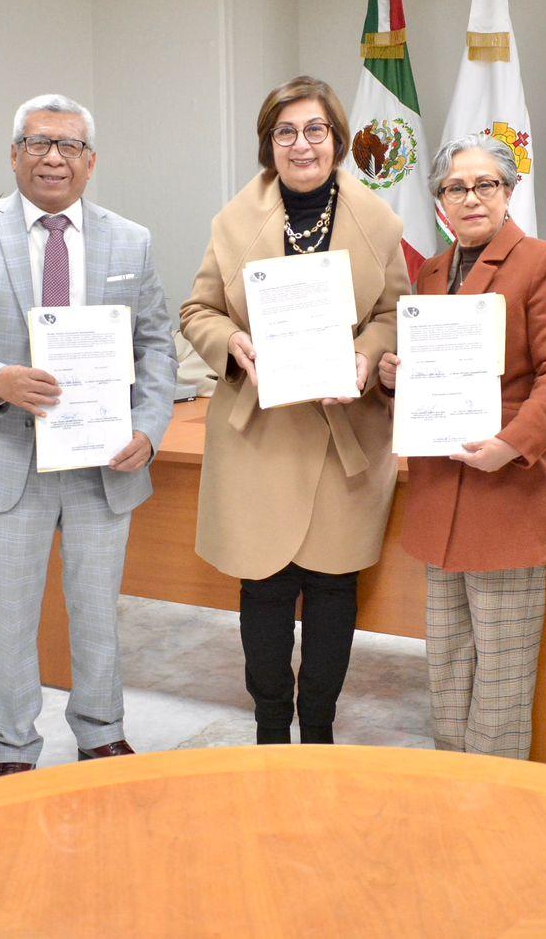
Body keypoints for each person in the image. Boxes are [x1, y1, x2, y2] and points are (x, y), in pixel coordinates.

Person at [0, 94, 176, 775]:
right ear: (14, 155)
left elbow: (157, 346)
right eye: (38, 143)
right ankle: (13, 747)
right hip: (5, 455)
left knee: (97, 609)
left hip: (103, 459)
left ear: (91, 162)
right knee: (9, 617)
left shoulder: (131, 239)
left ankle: (100, 731)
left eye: (68, 146)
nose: (53, 157)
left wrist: (149, 429)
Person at [180, 75, 409, 745]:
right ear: (267, 144)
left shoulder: (380, 222)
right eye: (285, 132)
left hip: (347, 436)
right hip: (264, 437)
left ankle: (319, 730)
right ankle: (270, 728)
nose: (301, 144)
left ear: (338, 140)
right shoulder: (231, 221)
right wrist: (233, 344)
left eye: (315, 130)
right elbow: (197, 311)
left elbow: (395, 312)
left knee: (336, 589)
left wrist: (368, 355)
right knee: (266, 588)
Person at [377, 135, 546, 758]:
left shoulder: (545, 261)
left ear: (509, 191)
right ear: (440, 200)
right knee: (446, 661)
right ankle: (451, 785)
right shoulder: (432, 271)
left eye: (484, 184)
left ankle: (495, 800)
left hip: (505, 490)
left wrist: (512, 444)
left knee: (499, 677)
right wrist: (395, 378)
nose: (470, 198)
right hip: (441, 492)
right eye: (455, 187)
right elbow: (431, 375)